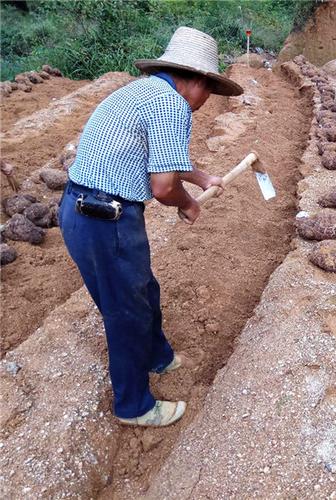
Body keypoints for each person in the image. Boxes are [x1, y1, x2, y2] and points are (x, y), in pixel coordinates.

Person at [59, 27, 243, 427]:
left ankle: (158, 356)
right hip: (105, 218)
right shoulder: (171, 105)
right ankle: (134, 406)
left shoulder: (144, 92)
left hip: (81, 210)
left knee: (143, 290)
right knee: (125, 311)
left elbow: (164, 157)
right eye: (209, 89)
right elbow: (163, 187)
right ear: (195, 80)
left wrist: (201, 177)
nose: (207, 99)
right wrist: (189, 203)